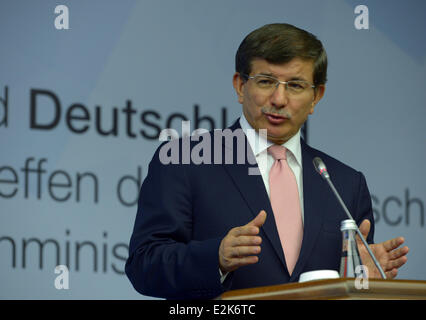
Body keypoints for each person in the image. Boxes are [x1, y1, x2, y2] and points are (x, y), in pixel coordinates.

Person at [125, 23, 409, 300]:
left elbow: (345, 285)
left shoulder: (344, 183)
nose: (279, 98)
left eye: (296, 85)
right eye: (266, 82)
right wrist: (217, 258)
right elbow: (144, 264)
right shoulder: (185, 161)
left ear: (316, 97)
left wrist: (361, 282)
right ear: (240, 86)